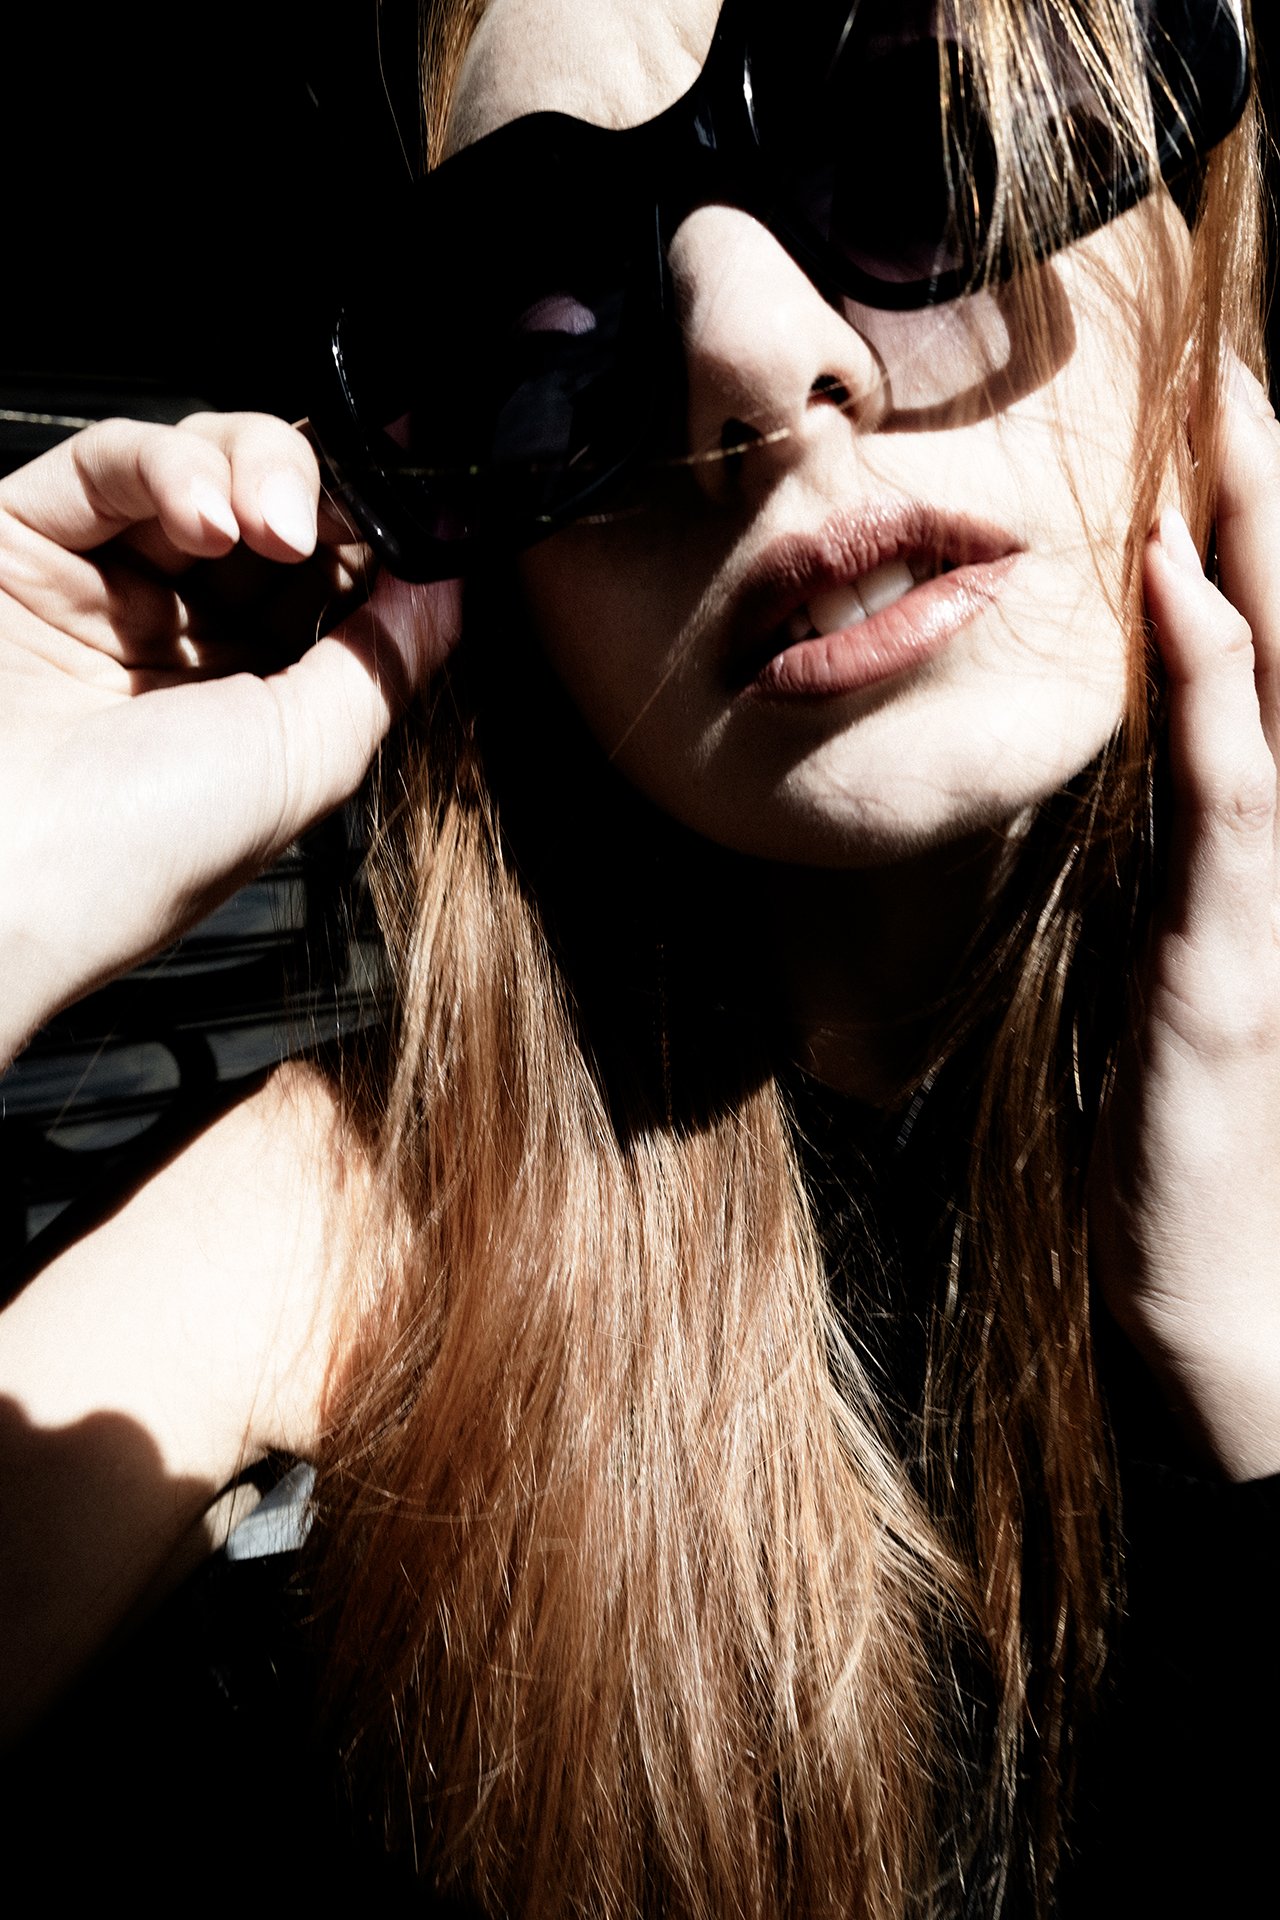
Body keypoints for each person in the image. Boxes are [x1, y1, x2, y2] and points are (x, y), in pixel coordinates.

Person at [1, 0, 1277, 1912]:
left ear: (1199, 263)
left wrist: (1243, 1375)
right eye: (542, 329)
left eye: (912, 139)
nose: (750, 359)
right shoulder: (345, 1228)